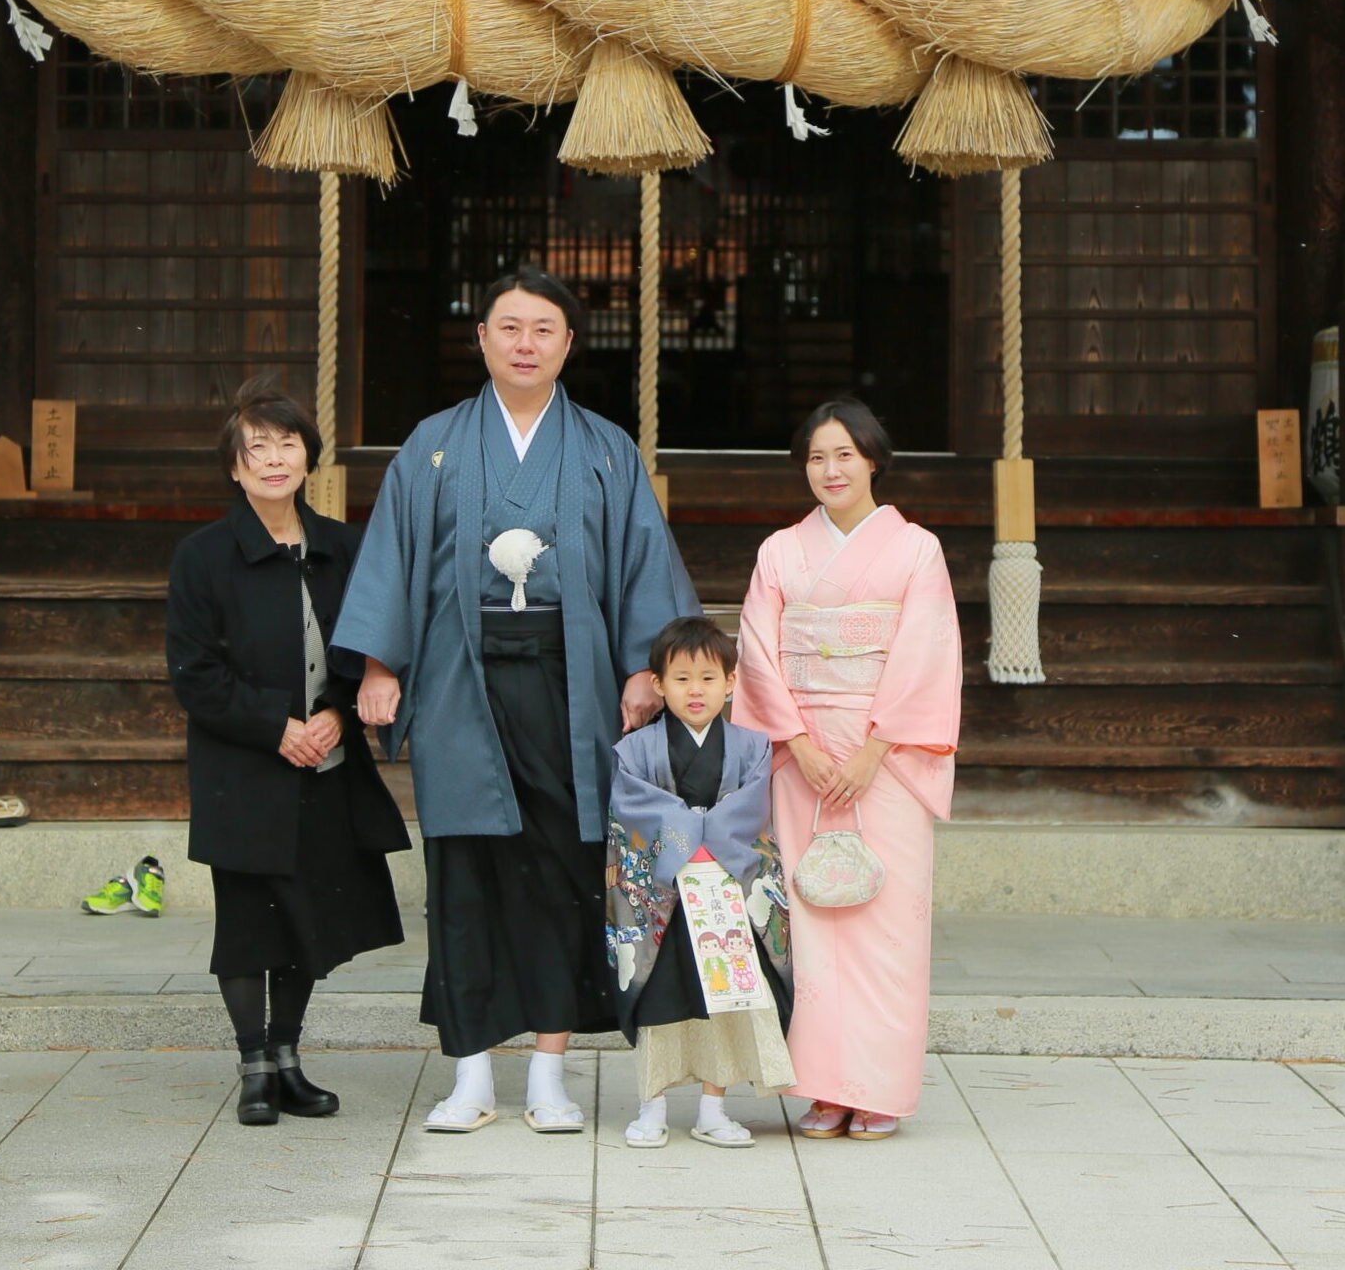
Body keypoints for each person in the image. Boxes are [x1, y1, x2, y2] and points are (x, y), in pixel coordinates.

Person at [334, 266, 699, 1134]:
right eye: (509, 327)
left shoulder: (606, 448)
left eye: (543, 329)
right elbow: (390, 557)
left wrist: (642, 669)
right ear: (482, 339)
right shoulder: (432, 445)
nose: (525, 343)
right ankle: (469, 1073)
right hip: (457, 676)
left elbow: (642, 563)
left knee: (562, 870)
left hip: (573, 685)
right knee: (463, 871)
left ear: (568, 344)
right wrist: (379, 665)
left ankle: (547, 1072)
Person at [167, 379, 410, 1126]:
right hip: (243, 768)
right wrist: (276, 728)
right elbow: (195, 674)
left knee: (307, 917)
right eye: (257, 448)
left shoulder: (344, 547)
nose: (274, 459)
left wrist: (338, 714)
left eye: (287, 444)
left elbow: (373, 649)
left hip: (325, 767)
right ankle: (253, 1067)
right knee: (248, 922)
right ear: (234, 467)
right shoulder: (203, 557)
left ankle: (287, 1059)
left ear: (308, 457)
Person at [731, 397, 961, 1141]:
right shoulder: (779, 552)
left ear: (872, 461)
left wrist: (871, 751)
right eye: (816, 458)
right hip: (800, 757)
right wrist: (796, 743)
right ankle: (824, 1088)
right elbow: (757, 651)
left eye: (844, 456)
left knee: (886, 924)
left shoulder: (916, 550)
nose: (830, 470)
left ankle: (879, 1088)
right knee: (809, 925)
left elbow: (925, 653)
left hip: (886, 758)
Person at [606, 615, 792, 1151]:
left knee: (724, 999)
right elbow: (635, 811)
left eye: (709, 678)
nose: (696, 690)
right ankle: (651, 1107)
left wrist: (702, 841)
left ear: (731, 683)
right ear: (658, 684)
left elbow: (750, 811)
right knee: (659, 1001)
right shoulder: (634, 751)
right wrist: (694, 840)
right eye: (681, 678)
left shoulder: (753, 746)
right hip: (665, 895)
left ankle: (714, 1108)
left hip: (725, 889)